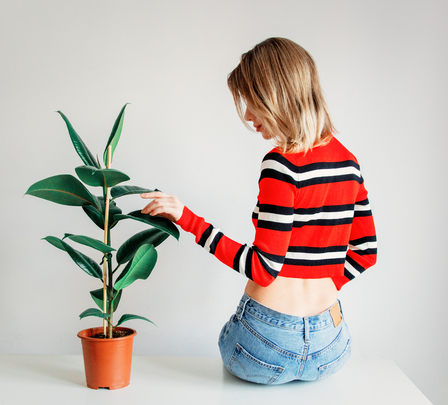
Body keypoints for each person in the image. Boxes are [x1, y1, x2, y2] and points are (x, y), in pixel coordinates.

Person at [141, 37, 377, 384]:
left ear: (277, 96)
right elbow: (367, 253)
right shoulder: (348, 162)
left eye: (252, 102)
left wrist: (187, 219)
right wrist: (321, 287)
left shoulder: (282, 166)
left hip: (264, 347)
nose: (249, 116)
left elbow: (263, 270)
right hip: (331, 346)